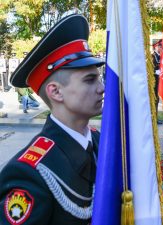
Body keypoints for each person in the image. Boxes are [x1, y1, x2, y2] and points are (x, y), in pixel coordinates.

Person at [0, 14, 105, 224]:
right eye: (90, 80)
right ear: (56, 92)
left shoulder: (97, 141)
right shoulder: (29, 173)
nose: (101, 88)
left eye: (100, 78)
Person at [152, 39, 162, 118]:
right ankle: (154, 117)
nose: (161, 48)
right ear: (156, 47)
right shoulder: (152, 56)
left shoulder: (159, 56)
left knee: (157, 99)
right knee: (154, 99)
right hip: (154, 81)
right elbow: (150, 69)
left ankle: (156, 116)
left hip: (159, 81)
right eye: (160, 46)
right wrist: (156, 71)